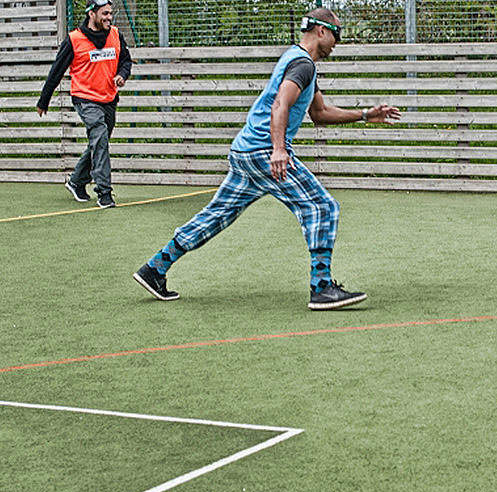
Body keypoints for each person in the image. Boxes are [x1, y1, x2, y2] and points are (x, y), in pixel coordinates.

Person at [133, 8, 401, 310]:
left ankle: (155, 269)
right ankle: (322, 288)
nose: (338, 42)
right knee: (322, 207)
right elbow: (279, 105)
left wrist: (365, 115)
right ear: (321, 31)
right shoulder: (302, 65)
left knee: (215, 217)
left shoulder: (298, 61)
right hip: (264, 152)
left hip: (245, 151)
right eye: (336, 34)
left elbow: (320, 113)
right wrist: (278, 149)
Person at [37, 0, 131, 209]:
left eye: (110, 13)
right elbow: (57, 70)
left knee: (99, 142)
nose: (109, 17)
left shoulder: (115, 35)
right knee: (99, 136)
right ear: (92, 14)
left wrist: (122, 75)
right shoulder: (74, 39)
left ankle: (76, 181)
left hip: (108, 98)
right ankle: (104, 193)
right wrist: (44, 100)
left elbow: (126, 60)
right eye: (104, 13)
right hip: (85, 98)